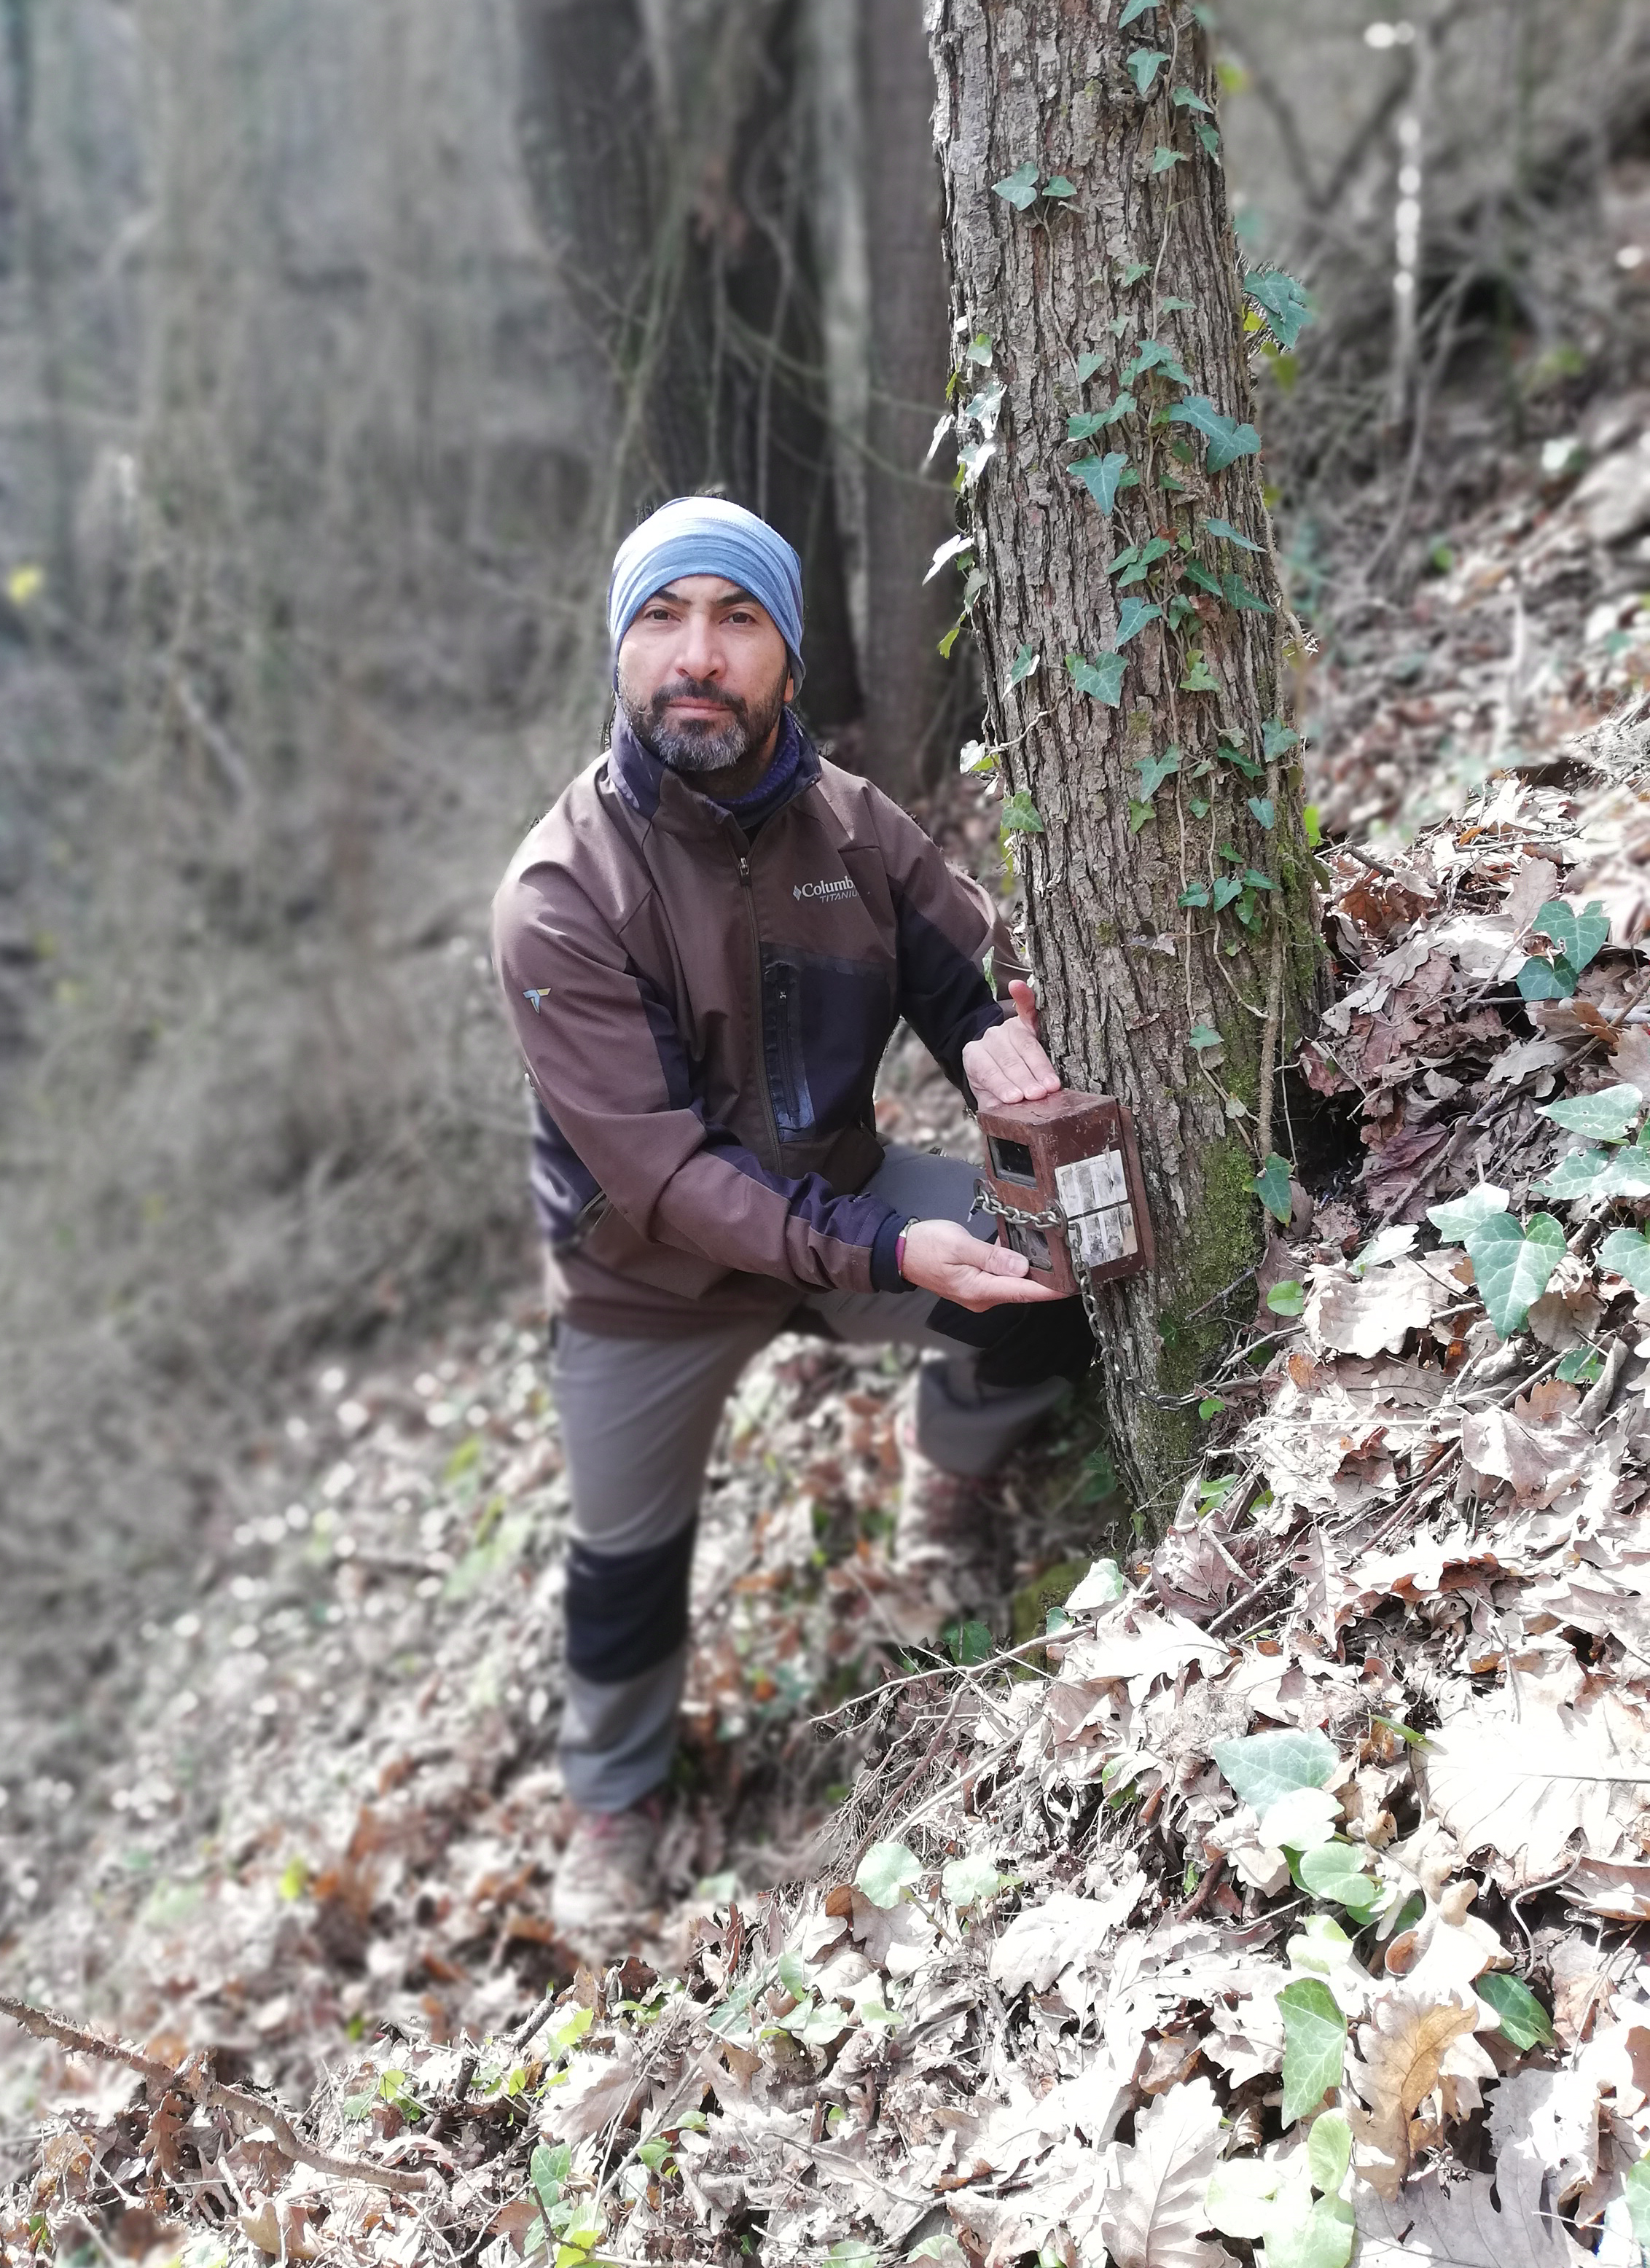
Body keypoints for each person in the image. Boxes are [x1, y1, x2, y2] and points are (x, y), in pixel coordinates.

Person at [492, 496, 1093, 1941]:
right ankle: (613, 1801)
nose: (697, 656)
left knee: (1052, 1263)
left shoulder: (853, 826)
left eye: (737, 619)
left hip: (834, 1198)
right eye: (664, 619)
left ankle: (945, 1478)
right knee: (624, 1564)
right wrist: (885, 1248)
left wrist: (993, 1044)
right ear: (621, 649)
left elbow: (957, 963)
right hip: (652, 1280)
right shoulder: (558, 894)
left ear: (785, 655)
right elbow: (669, 1179)